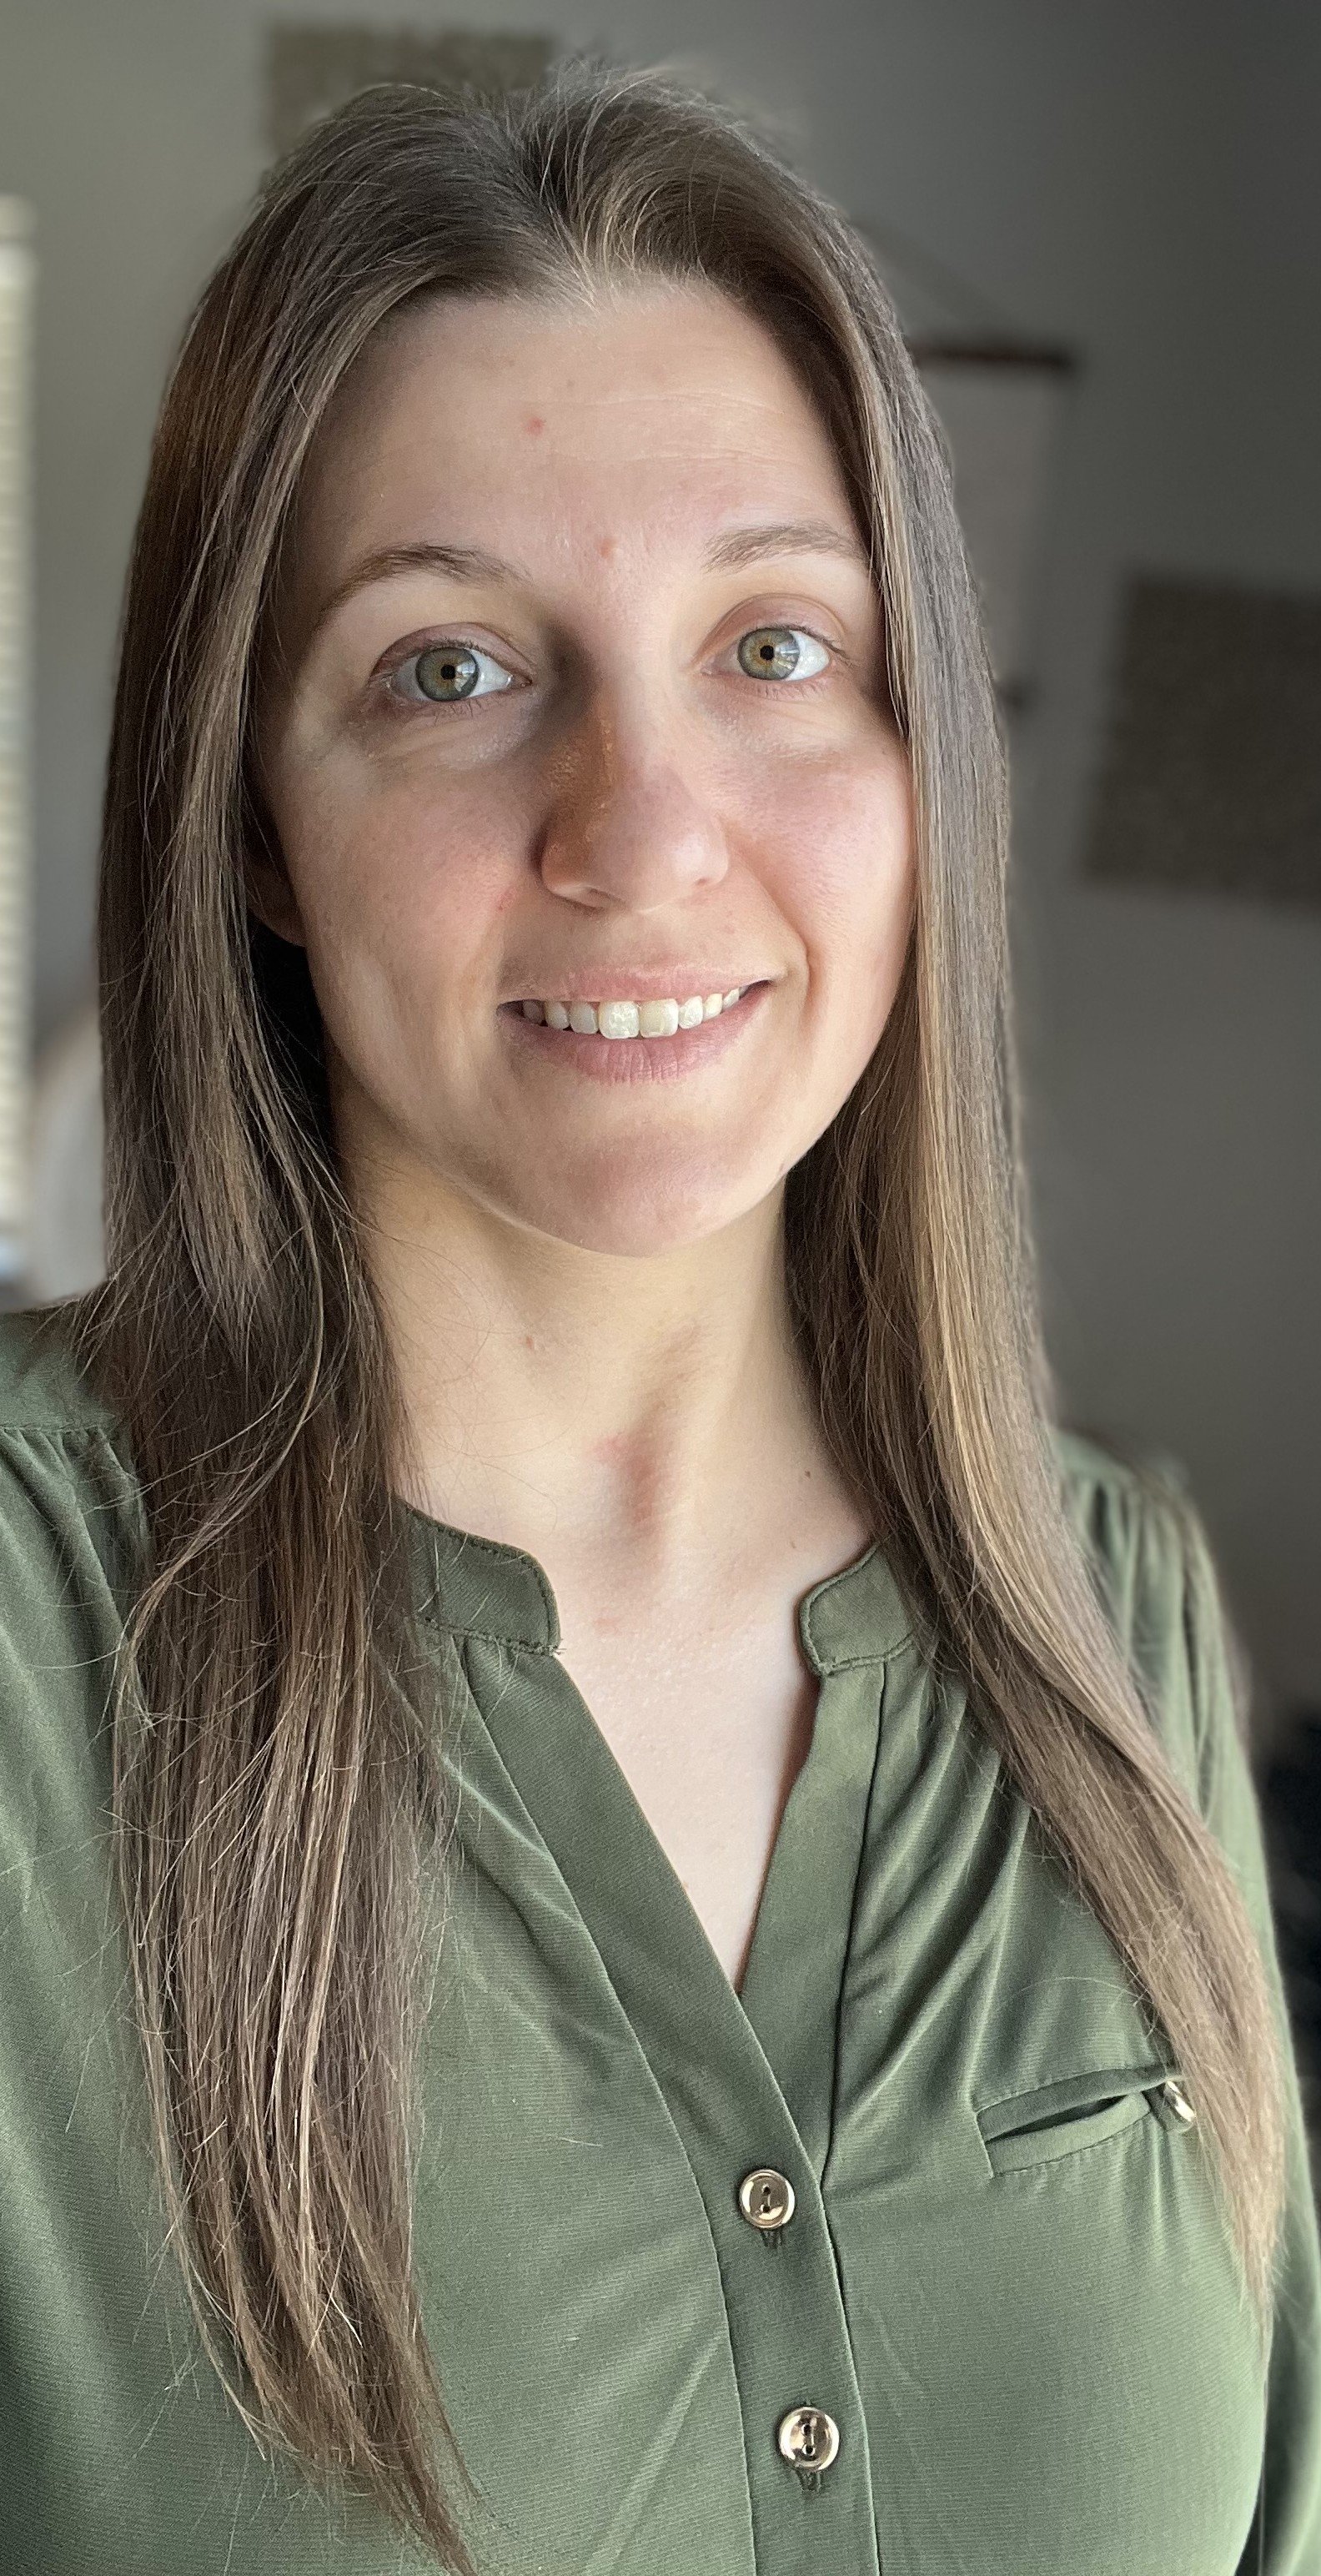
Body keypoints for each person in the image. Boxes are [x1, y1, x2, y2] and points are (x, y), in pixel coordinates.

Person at [1, 57, 1317, 2576]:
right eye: (451, 670)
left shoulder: (1112, 1607)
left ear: (917, 751)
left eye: (775, 642)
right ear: (256, 832)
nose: (645, 828)